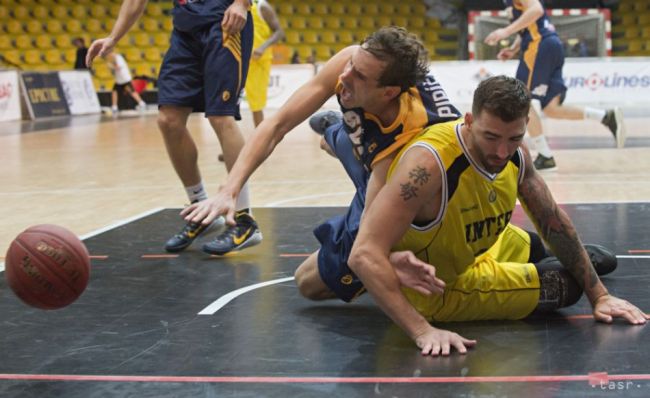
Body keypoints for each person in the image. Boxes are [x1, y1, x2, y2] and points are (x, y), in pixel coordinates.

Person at [341, 75, 647, 355]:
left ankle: (533, 267)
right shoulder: (428, 166)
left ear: (526, 124)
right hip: (439, 287)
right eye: (491, 137)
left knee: (600, 260)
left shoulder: (517, 153)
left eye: (513, 138)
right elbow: (363, 255)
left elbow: (552, 221)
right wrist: (423, 331)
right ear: (470, 121)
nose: (502, 152)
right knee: (568, 288)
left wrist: (601, 296)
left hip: (473, 246)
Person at [181, 27, 462, 273]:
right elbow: (277, 125)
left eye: (359, 75)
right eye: (351, 63)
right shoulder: (352, 63)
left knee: (319, 277)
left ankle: (338, 132)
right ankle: (338, 129)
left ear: (388, 92)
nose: (344, 75)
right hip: (376, 141)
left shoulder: (412, 136)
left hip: (409, 175)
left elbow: (369, 240)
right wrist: (230, 189)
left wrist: (383, 258)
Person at [86, 0, 260, 255]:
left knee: (220, 117)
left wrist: (242, 3)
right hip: (185, 30)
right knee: (168, 120)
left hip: (223, 21)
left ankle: (244, 219)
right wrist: (113, 37)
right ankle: (201, 210)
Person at [484, 0, 626, 171]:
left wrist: (504, 32)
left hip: (539, 45)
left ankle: (545, 155)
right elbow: (527, 24)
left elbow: (536, 10)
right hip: (548, 44)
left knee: (519, 99)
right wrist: (514, 49)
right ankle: (605, 117)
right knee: (552, 108)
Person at [245, 0, 284, 127]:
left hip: (259, 60)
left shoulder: (262, 5)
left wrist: (262, 47)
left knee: (256, 105)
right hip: (240, 57)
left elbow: (279, 32)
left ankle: (259, 136)